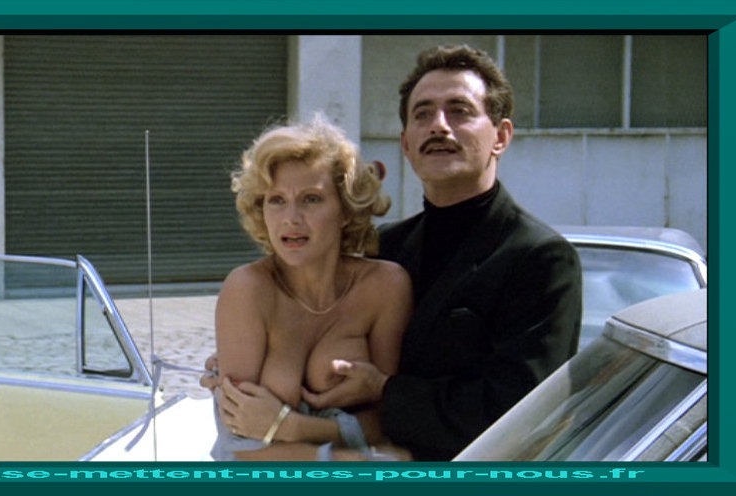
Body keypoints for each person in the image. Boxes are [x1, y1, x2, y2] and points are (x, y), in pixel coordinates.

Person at [209, 45, 582, 461]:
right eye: (422, 114)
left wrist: (384, 392)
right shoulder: (387, 248)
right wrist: (245, 354)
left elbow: (523, 412)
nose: (438, 125)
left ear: (501, 136)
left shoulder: (540, 258)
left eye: (459, 111)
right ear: (406, 143)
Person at [211, 116, 413, 461]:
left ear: (346, 210)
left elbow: (388, 417)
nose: (291, 218)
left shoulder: (386, 287)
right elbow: (240, 442)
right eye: (276, 200)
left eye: (311, 199)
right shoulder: (246, 289)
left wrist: (291, 426)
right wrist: (338, 460)